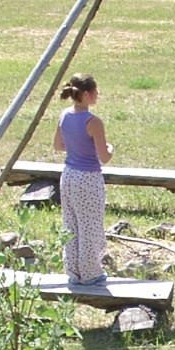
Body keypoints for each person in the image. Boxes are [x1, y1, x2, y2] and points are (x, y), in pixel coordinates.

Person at [53, 72, 114, 286]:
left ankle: (73, 271)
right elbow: (104, 157)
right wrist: (110, 148)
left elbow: (58, 145)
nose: (98, 94)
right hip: (88, 178)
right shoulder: (93, 122)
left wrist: (77, 146)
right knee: (89, 226)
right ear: (86, 94)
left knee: (71, 224)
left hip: (68, 175)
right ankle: (90, 273)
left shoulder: (64, 115)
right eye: (95, 91)